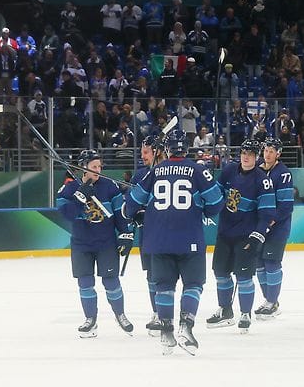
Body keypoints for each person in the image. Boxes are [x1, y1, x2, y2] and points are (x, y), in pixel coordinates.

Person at [122, 130, 224, 355]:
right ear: (186, 149)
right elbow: (217, 202)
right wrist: (203, 209)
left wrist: (139, 210)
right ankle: (186, 327)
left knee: (164, 287)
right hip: (189, 238)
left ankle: (166, 333)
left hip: (157, 240)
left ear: (167, 149)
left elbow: (131, 205)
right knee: (193, 284)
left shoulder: (154, 172)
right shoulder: (198, 170)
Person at [56, 150, 134, 337]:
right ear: (83, 167)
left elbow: (119, 213)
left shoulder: (110, 187)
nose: (98, 170)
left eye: (99, 166)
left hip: (106, 243)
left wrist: (126, 233)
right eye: (94, 167)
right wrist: (79, 197)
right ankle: (90, 320)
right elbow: (67, 214)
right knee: (85, 283)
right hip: (81, 244)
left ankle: (120, 314)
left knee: (111, 282)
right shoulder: (69, 189)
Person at [206, 138, 276, 333]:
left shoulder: (263, 180)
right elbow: (215, 195)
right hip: (225, 233)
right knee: (221, 273)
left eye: (251, 154)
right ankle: (225, 310)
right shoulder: (229, 170)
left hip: (246, 235)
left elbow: (267, 213)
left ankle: (245, 313)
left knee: (244, 276)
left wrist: (257, 236)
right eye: (244, 153)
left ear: (256, 156)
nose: (246, 157)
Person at [254, 135, 295, 319]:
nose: (268, 154)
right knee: (258, 263)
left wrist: (269, 221)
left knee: (271, 262)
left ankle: (272, 301)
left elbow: (286, 206)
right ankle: (268, 300)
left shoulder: (283, 173)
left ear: (278, 154)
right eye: (266, 150)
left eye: (272, 151)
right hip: (259, 226)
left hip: (278, 228)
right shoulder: (258, 170)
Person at [132, 134, 166, 336]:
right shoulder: (140, 176)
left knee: (166, 276)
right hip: (148, 235)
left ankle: (167, 313)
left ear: (157, 152)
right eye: (141, 152)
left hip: (168, 233)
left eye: (146, 152)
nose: (142, 156)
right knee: (152, 276)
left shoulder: (169, 172)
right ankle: (157, 313)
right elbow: (132, 202)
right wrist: (136, 213)